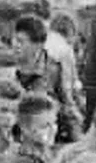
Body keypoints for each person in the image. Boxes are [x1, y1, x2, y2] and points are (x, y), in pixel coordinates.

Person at [13, 14, 83, 143]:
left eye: (21, 41)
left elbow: (66, 99)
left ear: (38, 45)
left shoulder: (53, 68)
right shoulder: (8, 65)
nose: (15, 45)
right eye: (16, 40)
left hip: (41, 126)